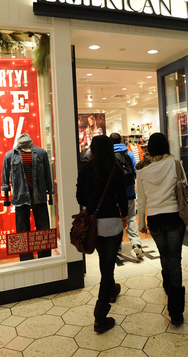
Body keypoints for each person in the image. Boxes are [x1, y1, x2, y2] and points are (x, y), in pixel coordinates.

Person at [136, 133, 188, 326]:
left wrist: (141, 222)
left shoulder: (142, 170)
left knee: (165, 256)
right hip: (174, 217)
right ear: (166, 147)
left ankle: (167, 286)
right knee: (175, 261)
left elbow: (142, 199)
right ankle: (176, 312)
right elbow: (185, 192)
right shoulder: (175, 164)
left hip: (155, 219)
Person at [76, 135, 128, 334]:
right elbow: (123, 198)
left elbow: (80, 196)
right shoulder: (116, 170)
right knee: (108, 266)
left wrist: (90, 203)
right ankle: (100, 316)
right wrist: (124, 215)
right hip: (112, 223)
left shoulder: (85, 169)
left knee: (105, 263)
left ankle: (112, 290)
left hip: (93, 224)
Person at [1, 133, 55, 261]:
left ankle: (45, 259)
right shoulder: (10, 155)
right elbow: (5, 177)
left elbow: (48, 173)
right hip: (20, 197)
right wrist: (6, 195)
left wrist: (50, 191)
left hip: (39, 196)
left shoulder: (41, 153)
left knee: (43, 230)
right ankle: (26, 260)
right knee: (22, 232)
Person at [110, 133, 144, 259]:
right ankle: (136, 244)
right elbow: (135, 172)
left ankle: (117, 245)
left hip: (114, 196)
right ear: (121, 141)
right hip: (129, 193)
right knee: (131, 217)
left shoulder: (109, 156)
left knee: (116, 219)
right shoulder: (129, 153)